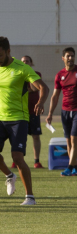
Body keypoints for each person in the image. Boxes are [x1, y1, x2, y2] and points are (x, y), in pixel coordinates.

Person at [0, 37, 49, 205]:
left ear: (8, 51)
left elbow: (44, 87)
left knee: (18, 157)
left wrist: (41, 102)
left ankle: (30, 197)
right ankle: (9, 175)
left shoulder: (22, 69)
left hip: (18, 119)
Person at [46, 47, 77, 176]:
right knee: (68, 142)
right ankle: (75, 167)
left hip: (76, 111)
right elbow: (55, 96)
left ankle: (69, 167)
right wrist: (50, 114)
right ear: (63, 58)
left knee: (74, 139)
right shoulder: (59, 75)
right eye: (68, 56)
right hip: (65, 111)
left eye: (72, 56)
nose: (70, 58)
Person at [11, 56, 44, 169]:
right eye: (23, 61)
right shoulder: (17, 74)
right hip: (20, 111)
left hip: (33, 110)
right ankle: (17, 160)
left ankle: (36, 161)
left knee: (35, 136)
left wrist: (25, 89)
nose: (25, 63)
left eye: (27, 61)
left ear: (31, 63)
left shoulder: (36, 74)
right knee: (19, 137)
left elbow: (36, 88)